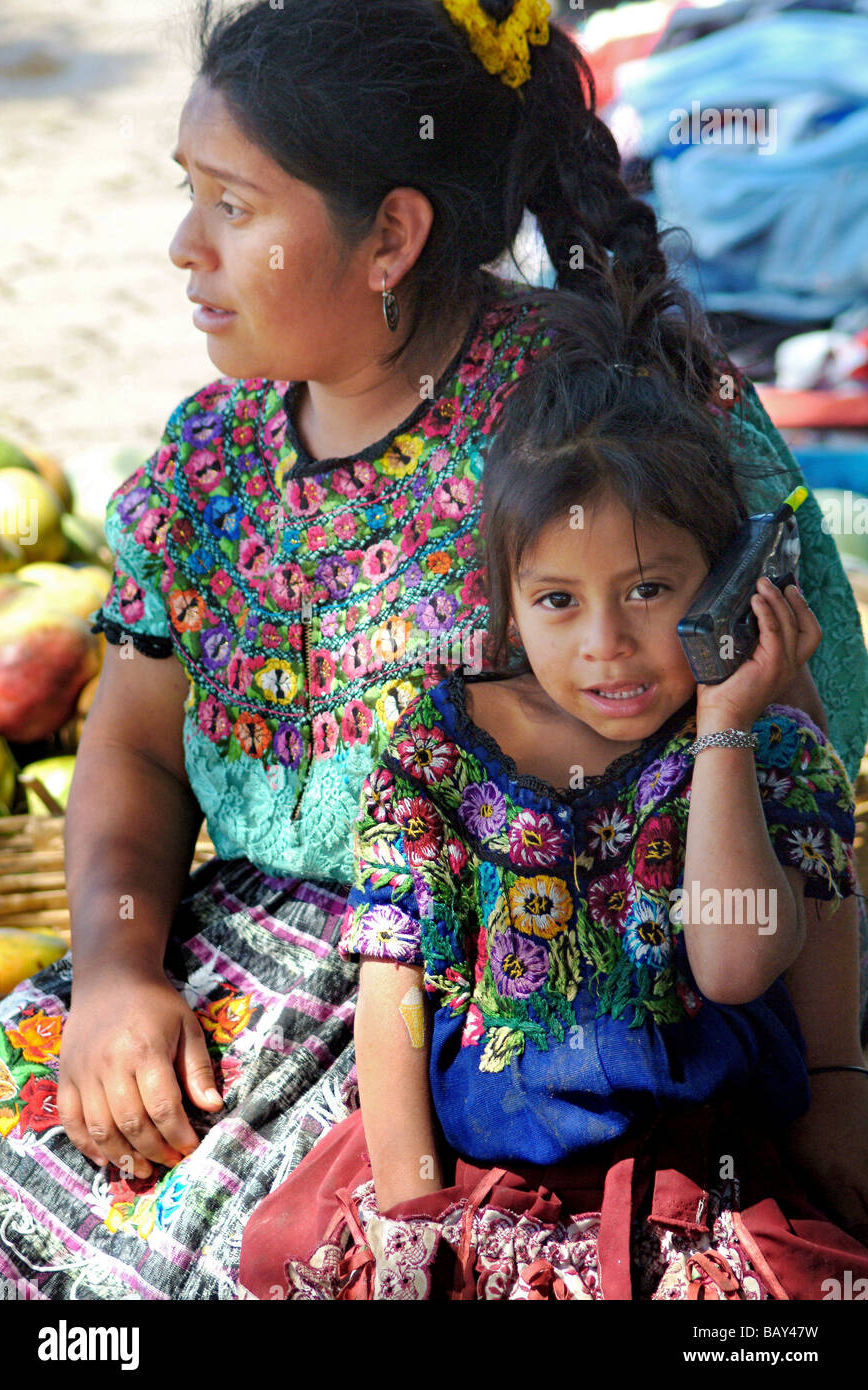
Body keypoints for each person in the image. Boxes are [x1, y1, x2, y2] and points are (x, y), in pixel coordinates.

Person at [0, 0, 865, 1301]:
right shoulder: (208, 463)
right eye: (191, 195)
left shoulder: (594, 434)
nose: (185, 247)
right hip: (253, 973)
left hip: (544, 1015)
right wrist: (119, 968)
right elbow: (129, 739)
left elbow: (793, 769)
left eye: (233, 205)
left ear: (391, 234)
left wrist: (837, 1080)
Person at [238, 274, 868, 1300]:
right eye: (558, 600)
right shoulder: (436, 758)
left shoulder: (763, 749)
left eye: (650, 591)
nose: (605, 644)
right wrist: (409, 1212)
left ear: (723, 581)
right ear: (507, 605)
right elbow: (393, 985)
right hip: (487, 1185)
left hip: (696, 1189)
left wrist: (725, 726)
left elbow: (737, 964)